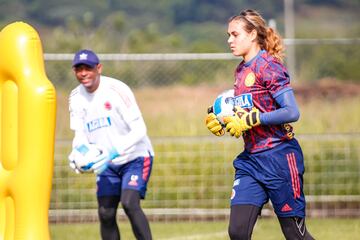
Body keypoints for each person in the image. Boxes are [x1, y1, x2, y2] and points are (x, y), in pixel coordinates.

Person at [205, 9, 314, 240]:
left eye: (235, 34)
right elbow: (244, 110)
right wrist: (220, 120)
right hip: (251, 161)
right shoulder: (241, 70)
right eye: (228, 34)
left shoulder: (269, 66)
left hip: (280, 158)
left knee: (295, 234)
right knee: (237, 231)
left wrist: (255, 119)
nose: (229, 40)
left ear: (252, 34)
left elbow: (292, 111)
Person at [68, 49, 154, 240]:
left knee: (130, 203)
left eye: (88, 68)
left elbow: (140, 130)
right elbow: (80, 134)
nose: (83, 73)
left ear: (99, 68)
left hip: (135, 157)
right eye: (78, 69)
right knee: (105, 213)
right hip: (105, 164)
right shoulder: (75, 97)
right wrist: (76, 153)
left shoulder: (117, 90)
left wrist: (112, 152)